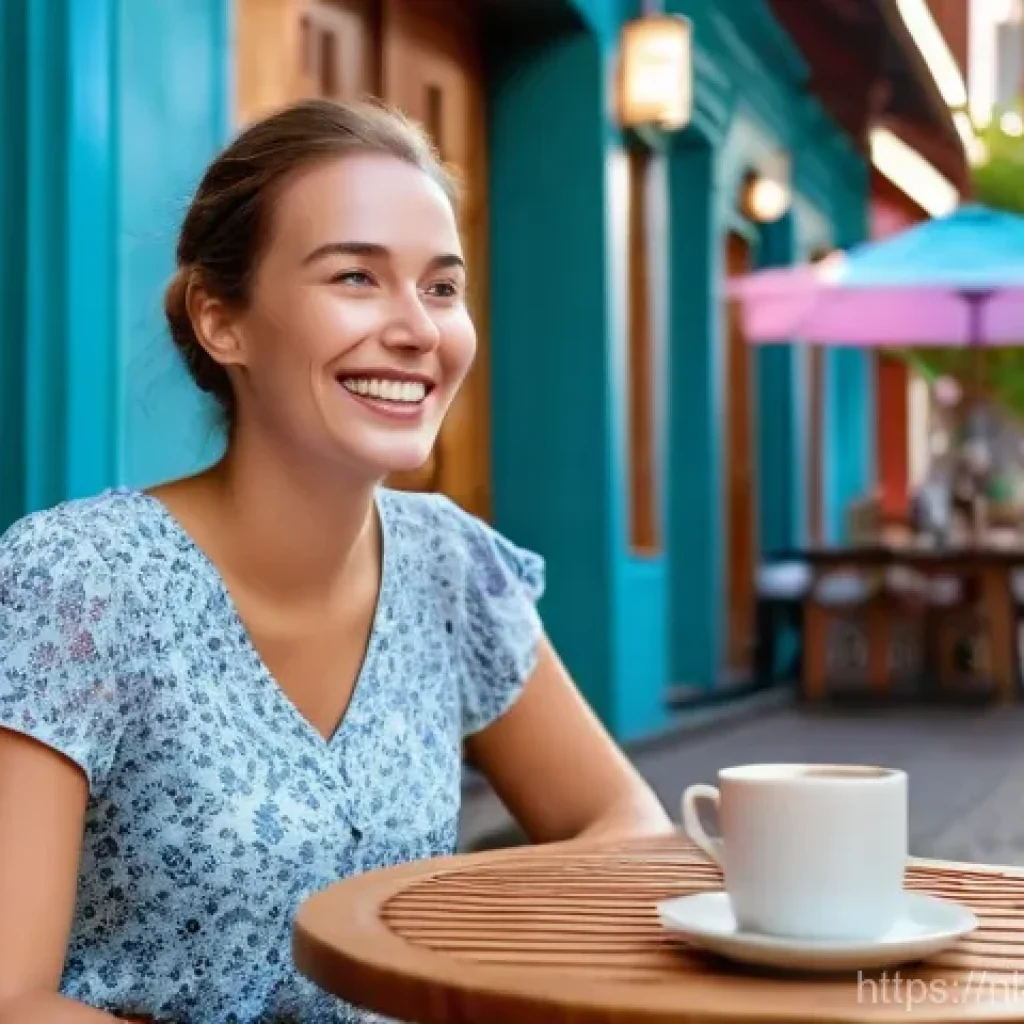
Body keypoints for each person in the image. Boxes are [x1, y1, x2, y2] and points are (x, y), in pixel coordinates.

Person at [0, 99, 672, 1023]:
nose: (418, 330)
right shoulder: (83, 579)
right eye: (356, 277)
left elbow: (629, 831)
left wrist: (463, 936)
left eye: (442, 288)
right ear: (220, 321)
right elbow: (10, 997)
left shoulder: (450, 566)